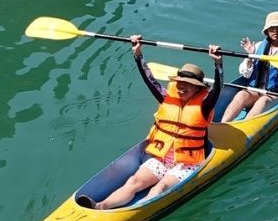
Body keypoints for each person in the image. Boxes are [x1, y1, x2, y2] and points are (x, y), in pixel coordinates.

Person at [90, 35, 224, 210]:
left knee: (160, 187)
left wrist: (218, 64)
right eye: (179, 83)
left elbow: (218, 88)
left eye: (187, 84)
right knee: (133, 181)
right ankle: (100, 206)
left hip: (187, 164)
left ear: (198, 89)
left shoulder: (204, 106)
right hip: (162, 158)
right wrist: (138, 55)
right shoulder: (167, 99)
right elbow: (150, 80)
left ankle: (138, 212)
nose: (181, 87)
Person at [220, 11, 278, 122]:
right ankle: (223, 124)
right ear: (267, 31)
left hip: (275, 94)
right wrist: (250, 56)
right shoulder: (259, 46)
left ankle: (243, 129)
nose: (275, 31)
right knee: (241, 95)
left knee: (262, 101)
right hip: (256, 90)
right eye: (272, 28)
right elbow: (246, 74)